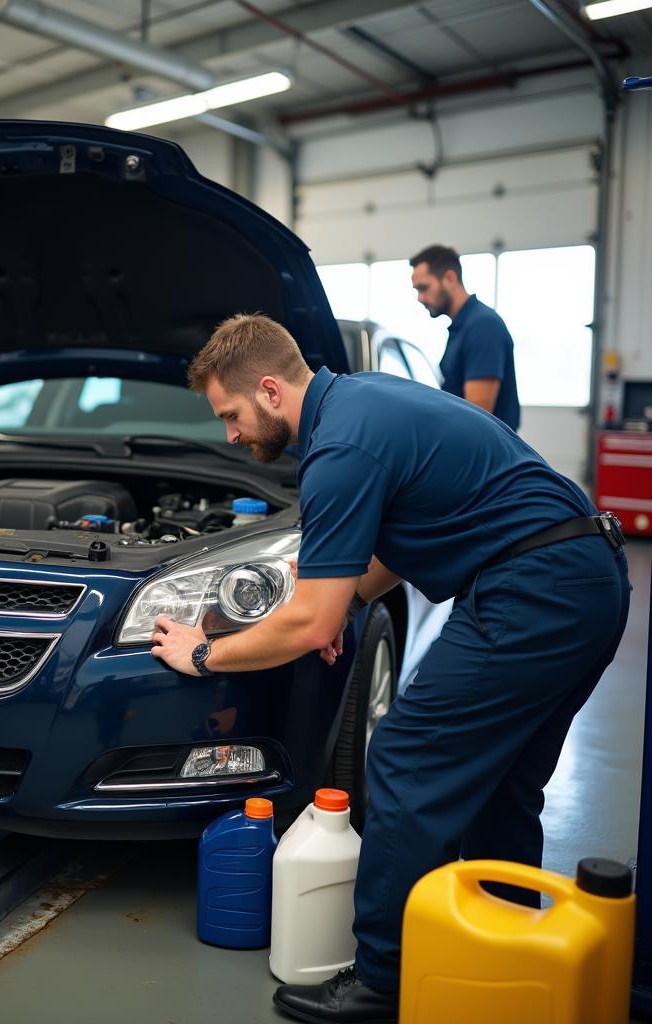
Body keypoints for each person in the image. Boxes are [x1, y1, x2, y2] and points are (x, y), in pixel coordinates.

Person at [152, 313, 628, 1023]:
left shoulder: (339, 447)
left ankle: (382, 978)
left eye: (231, 414)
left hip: (534, 589)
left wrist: (202, 650)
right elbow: (405, 535)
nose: (231, 434)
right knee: (502, 787)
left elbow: (306, 620)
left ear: (273, 392)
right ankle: (499, 950)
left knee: (403, 760)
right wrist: (345, 607)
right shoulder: (363, 402)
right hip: (586, 579)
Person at [410, 244, 521, 431]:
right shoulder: (463, 327)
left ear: (450, 278)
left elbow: (477, 416)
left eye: (424, 288)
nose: (419, 298)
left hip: (484, 455)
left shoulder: (482, 326)